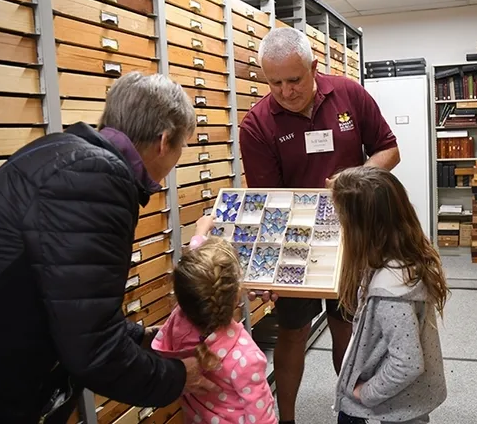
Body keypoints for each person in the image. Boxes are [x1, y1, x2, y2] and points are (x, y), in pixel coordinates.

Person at [0, 72, 219, 423]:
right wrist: (179, 377)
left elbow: (73, 304)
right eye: (183, 146)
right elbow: (93, 351)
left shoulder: (63, 153)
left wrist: (141, 338)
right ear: (164, 141)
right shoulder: (98, 180)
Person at [239, 26, 401, 424]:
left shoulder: (349, 95)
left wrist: (353, 181)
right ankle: (287, 418)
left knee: (347, 326)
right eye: (274, 82)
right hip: (296, 242)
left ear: (314, 67)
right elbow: (267, 203)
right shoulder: (257, 124)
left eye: (294, 79)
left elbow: (389, 150)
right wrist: (267, 267)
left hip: (353, 235)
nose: (286, 91)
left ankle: (352, 413)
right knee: (292, 332)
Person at [331, 166, 448, 424]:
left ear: (361, 229)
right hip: (401, 397)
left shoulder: (390, 293)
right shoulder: (397, 260)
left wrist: (366, 393)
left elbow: (407, 363)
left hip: (397, 402)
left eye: (342, 221)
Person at [151, 222, 277, 424]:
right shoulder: (246, 356)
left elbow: (195, 278)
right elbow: (262, 419)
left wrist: (200, 233)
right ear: (237, 295)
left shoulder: (178, 323)